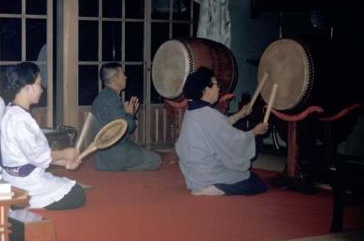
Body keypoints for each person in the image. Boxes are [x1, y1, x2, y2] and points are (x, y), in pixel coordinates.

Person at [0, 62, 85, 210]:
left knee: (66, 184)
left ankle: (18, 199)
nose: (41, 89)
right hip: (24, 182)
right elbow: (38, 156)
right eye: (39, 84)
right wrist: (65, 153)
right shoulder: (20, 119)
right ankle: (23, 201)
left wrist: (64, 162)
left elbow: (28, 157)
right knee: (76, 193)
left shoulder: (10, 112)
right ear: (28, 87)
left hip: (13, 178)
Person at [175, 67, 269, 196]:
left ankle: (209, 185)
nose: (218, 89)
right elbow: (233, 140)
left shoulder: (192, 111)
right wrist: (254, 132)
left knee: (245, 175)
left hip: (193, 175)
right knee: (255, 182)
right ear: (205, 89)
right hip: (208, 174)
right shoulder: (209, 114)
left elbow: (219, 127)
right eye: (216, 85)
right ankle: (216, 187)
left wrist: (241, 114)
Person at [90, 62, 161, 171]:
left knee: (141, 151)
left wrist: (124, 113)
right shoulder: (111, 100)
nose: (126, 77)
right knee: (156, 159)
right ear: (115, 79)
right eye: (122, 74)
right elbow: (126, 128)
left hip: (102, 155)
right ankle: (121, 168)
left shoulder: (103, 97)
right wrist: (129, 114)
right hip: (116, 153)